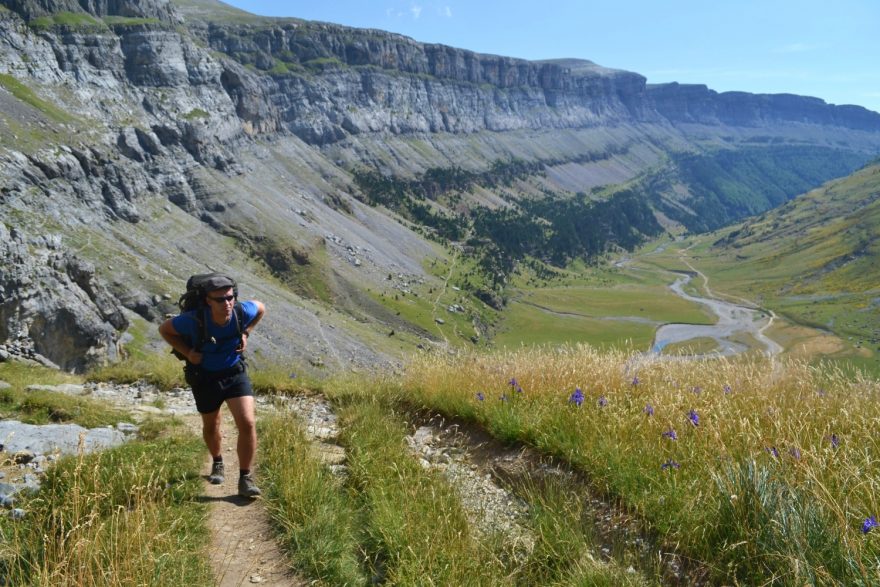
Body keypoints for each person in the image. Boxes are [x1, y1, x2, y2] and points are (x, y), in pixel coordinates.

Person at [159, 277, 265, 498]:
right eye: (220, 300)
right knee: (211, 424)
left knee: (247, 422)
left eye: (230, 298)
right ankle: (217, 461)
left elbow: (261, 308)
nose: (227, 303)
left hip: (234, 372)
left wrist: (246, 333)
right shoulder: (192, 320)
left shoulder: (241, 311)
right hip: (205, 377)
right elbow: (165, 330)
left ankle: (245, 478)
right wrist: (188, 353)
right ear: (208, 301)